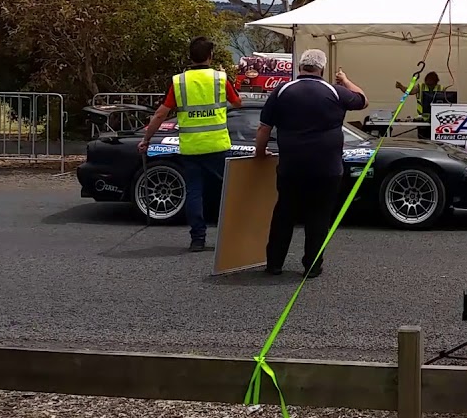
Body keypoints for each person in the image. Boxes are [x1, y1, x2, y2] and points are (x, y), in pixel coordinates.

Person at [255, 49, 367, 278]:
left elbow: (264, 127)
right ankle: (312, 266)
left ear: (300, 68)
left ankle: (274, 263)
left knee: (284, 214)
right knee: (319, 217)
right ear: (322, 69)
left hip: (291, 166)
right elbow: (362, 101)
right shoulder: (335, 92)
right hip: (327, 168)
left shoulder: (282, 90)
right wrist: (345, 81)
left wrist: (259, 153)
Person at [138, 36, 242, 252]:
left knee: (194, 192)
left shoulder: (179, 82)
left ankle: (197, 239)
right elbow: (237, 102)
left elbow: (161, 114)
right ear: (211, 56)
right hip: (217, 145)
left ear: (190, 57)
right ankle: (231, 236)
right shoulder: (220, 79)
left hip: (191, 147)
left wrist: (147, 139)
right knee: (227, 192)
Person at [395, 71, 443, 139]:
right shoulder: (420, 87)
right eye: (428, 84)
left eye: (431, 85)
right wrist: (401, 87)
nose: (429, 86)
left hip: (437, 121)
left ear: (436, 82)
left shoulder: (441, 88)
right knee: (423, 141)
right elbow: (409, 91)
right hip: (422, 119)